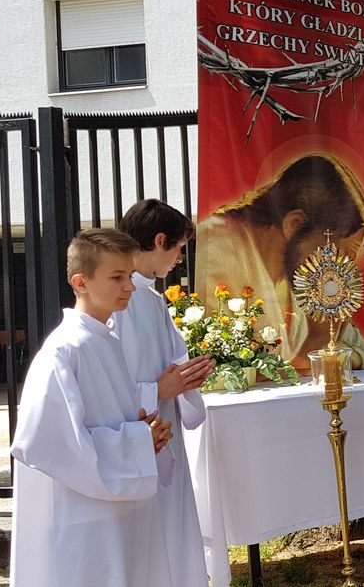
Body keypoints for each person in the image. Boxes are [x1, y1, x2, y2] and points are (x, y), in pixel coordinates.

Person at [10, 229, 174, 587]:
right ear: (80, 282)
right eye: (117, 277)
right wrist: (135, 442)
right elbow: (42, 444)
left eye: (129, 275)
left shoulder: (105, 339)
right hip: (83, 516)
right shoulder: (63, 352)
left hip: (117, 510)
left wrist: (146, 433)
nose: (129, 287)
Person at [195, 154, 364, 370]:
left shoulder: (297, 276)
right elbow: (232, 370)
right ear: (295, 224)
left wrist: (337, 347)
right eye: (334, 253)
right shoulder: (220, 250)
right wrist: (316, 343)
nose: (334, 269)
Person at [112, 199, 213, 586]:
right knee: (150, 543)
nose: (179, 259)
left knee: (171, 532)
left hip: (163, 425)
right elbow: (106, 381)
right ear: (158, 240)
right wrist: (158, 390)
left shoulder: (151, 299)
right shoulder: (120, 301)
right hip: (141, 433)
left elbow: (167, 364)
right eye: (178, 248)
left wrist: (186, 379)